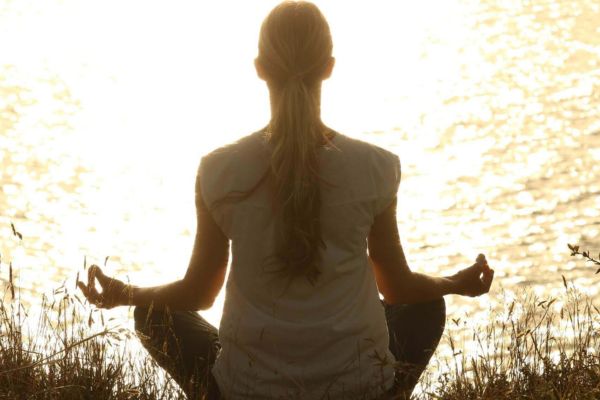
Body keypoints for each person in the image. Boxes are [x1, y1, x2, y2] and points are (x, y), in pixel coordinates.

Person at [77, 1, 494, 399]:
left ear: (260, 69)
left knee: (152, 314)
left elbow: (199, 293)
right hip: (357, 387)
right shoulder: (375, 166)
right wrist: (454, 284)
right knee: (425, 306)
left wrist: (125, 293)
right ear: (329, 68)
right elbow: (398, 287)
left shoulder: (219, 170)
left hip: (248, 391)